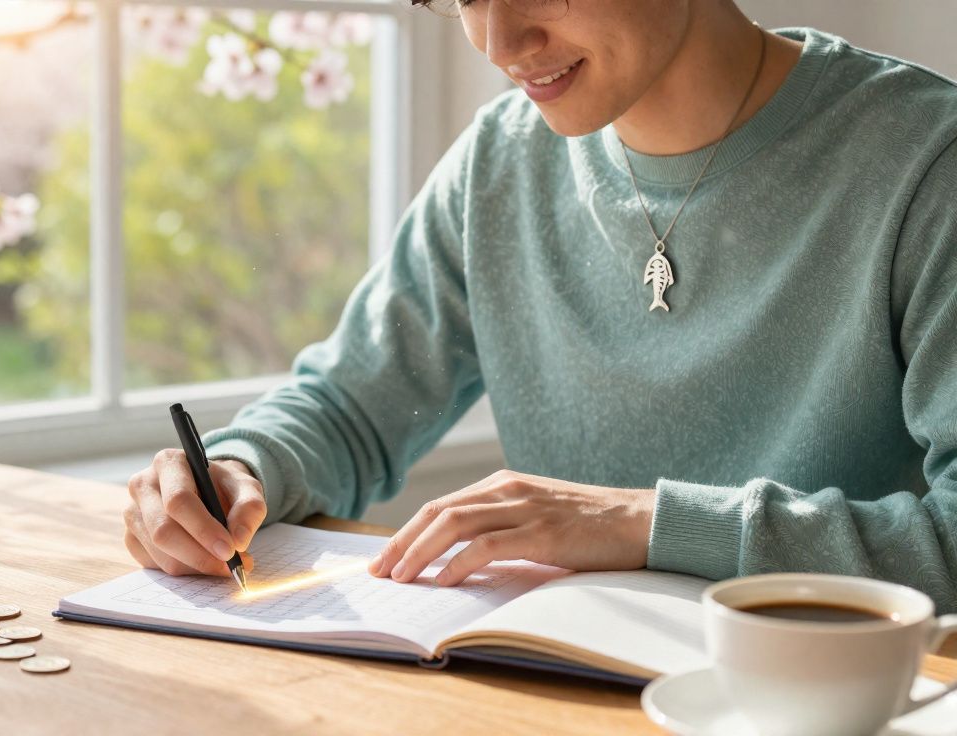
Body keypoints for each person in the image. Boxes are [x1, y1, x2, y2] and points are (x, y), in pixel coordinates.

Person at [122, 0, 957, 613]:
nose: (497, 40)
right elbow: (349, 404)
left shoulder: (926, 164)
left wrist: (642, 523)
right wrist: (238, 470)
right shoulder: (501, 162)